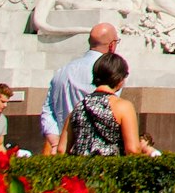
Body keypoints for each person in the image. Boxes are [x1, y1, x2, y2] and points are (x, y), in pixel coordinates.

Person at [42, 23, 119, 155]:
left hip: (63, 149)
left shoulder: (62, 71)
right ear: (112, 45)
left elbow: (48, 110)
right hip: (96, 152)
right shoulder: (109, 72)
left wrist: (55, 142)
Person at [65, 53, 148, 156]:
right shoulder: (123, 107)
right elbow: (133, 149)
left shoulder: (78, 107)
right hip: (109, 169)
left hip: (79, 170)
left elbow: (61, 149)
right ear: (119, 78)